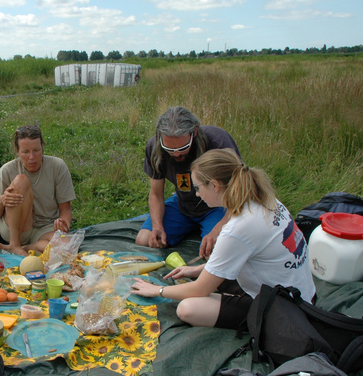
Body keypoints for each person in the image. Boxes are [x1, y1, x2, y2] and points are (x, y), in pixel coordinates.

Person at [131, 149, 315, 330]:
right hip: (302, 291)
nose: (197, 195)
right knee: (209, 278)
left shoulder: (239, 228)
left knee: (188, 308)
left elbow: (199, 290)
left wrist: (157, 290)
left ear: (214, 186)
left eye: (198, 188)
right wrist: (197, 270)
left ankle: (251, 312)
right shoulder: (263, 200)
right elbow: (245, 253)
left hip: (286, 308)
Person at [136, 106, 241, 258]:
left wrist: (217, 230)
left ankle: (207, 226)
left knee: (219, 249)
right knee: (146, 240)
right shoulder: (154, 148)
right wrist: (157, 225)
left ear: (195, 132)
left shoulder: (218, 141)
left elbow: (240, 191)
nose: (177, 154)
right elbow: (156, 193)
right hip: (183, 204)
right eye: (169, 149)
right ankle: (190, 226)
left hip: (218, 206)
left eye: (183, 147)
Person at [0, 125, 76, 256]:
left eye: (36, 150)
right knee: (21, 180)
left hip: (45, 228)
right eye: (26, 152)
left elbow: (65, 210)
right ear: (17, 151)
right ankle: (14, 245)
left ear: (42, 147)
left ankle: (26, 247)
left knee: (66, 248)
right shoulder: (7, 170)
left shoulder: (57, 167)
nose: (32, 157)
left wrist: (64, 226)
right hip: (16, 230)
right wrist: (1, 200)